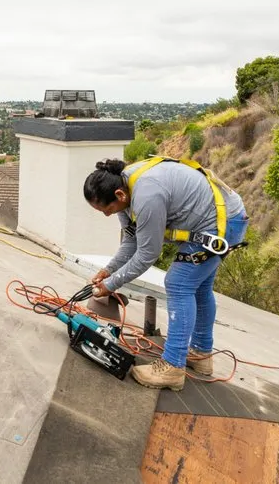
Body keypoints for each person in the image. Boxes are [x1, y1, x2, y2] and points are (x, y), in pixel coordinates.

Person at [83, 156, 249, 391]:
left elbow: (147, 254)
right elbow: (132, 240)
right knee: (199, 286)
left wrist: (111, 284)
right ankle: (201, 354)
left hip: (224, 223)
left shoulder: (147, 195)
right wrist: (109, 270)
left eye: (106, 209)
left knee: (178, 284)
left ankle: (173, 366)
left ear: (119, 196)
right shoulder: (124, 188)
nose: (106, 215)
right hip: (222, 218)